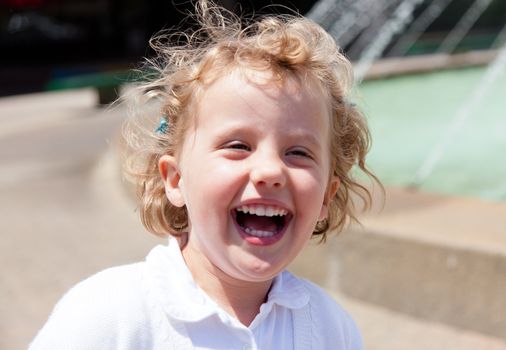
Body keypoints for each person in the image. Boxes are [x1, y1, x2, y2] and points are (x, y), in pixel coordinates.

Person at [30, 1, 378, 348]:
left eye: (299, 153)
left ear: (326, 198)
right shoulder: (109, 315)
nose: (271, 170)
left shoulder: (330, 329)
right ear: (175, 180)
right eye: (238, 146)